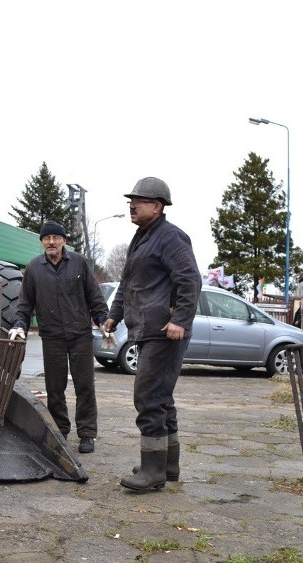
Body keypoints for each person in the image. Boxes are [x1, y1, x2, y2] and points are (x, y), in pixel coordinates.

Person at [103, 176, 201, 493]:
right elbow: (129, 283)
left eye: (139, 201)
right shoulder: (142, 238)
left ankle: (152, 470)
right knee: (161, 398)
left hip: (164, 331)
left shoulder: (170, 238)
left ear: (157, 207)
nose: (132, 204)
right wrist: (113, 315)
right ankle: (166, 465)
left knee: (147, 397)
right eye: (131, 200)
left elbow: (191, 281)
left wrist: (181, 320)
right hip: (146, 329)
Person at [9, 221, 108, 454]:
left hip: (80, 335)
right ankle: (60, 431)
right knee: (54, 388)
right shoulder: (34, 268)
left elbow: (94, 297)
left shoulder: (79, 263)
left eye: (56, 237)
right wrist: (20, 323)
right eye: (47, 238)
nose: (51, 242)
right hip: (52, 336)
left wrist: (104, 321)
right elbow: (25, 303)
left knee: (85, 386)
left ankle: (87, 434)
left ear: (64, 240)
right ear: (42, 242)